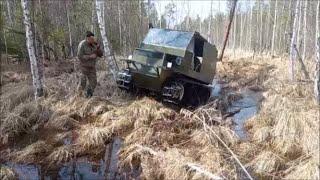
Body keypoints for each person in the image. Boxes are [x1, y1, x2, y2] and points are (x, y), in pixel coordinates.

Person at [77, 31, 103, 98]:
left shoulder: (95, 44)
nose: (93, 40)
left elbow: (101, 55)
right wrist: (90, 56)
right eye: (91, 39)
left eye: (93, 38)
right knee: (83, 82)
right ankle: (78, 97)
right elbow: (79, 56)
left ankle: (88, 96)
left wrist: (98, 48)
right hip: (84, 67)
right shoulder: (82, 44)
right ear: (87, 38)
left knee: (93, 82)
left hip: (92, 67)